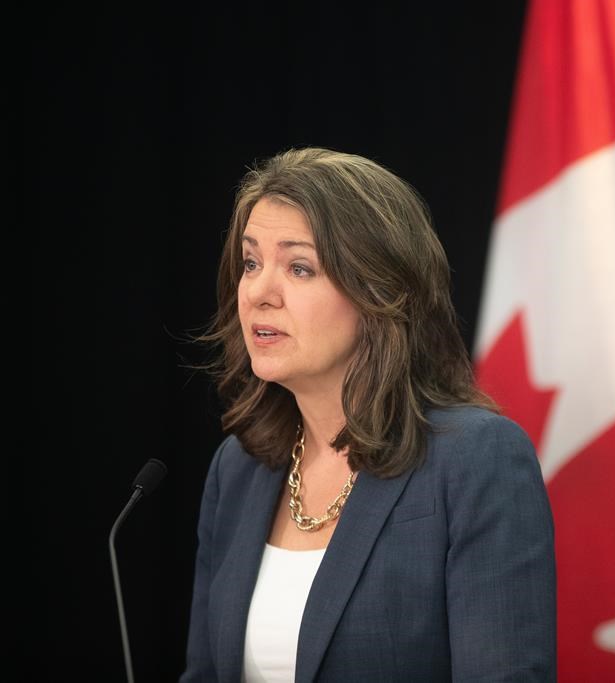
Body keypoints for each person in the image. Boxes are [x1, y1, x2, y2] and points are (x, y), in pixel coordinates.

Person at [181, 147, 556, 681]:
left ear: (378, 291)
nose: (259, 293)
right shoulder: (238, 468)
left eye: (299, 267)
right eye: (250, 262)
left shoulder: (476, 461)